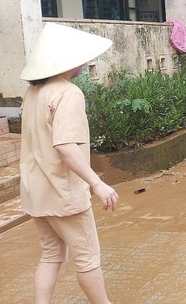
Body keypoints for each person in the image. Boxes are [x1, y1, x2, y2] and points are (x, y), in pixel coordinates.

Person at [19, 23, 120, 303]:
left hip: (36, 192)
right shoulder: (68, 93)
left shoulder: (33, 92)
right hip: (64, 195)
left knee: (51, 254)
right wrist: (97, 184)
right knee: (87, 256)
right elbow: (65, 146)